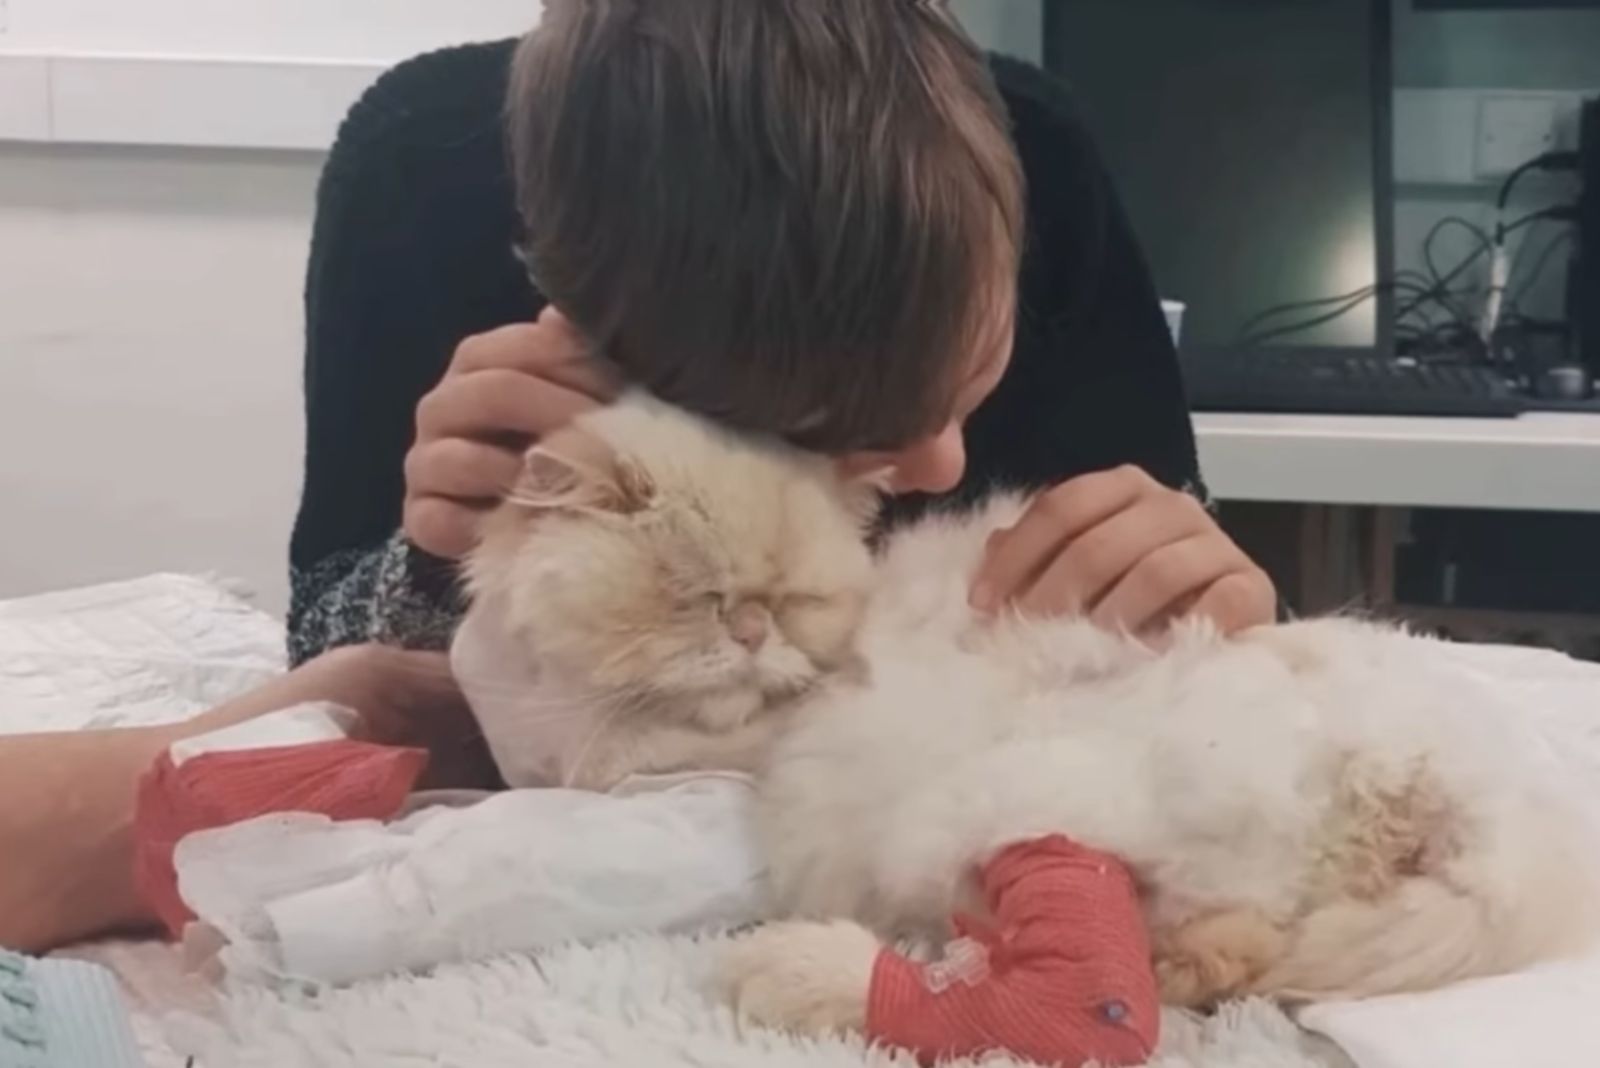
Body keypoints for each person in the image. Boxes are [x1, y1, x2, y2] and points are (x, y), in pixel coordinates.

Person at [1, 0, 1273, 953]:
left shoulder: (1032, 147)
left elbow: (1182, 576)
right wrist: (443, 556)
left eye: (972, 369)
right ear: (575, 321)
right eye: (839, 428)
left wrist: (1201, 600)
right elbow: (326, 640)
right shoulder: (420, 169)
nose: (943, 463)